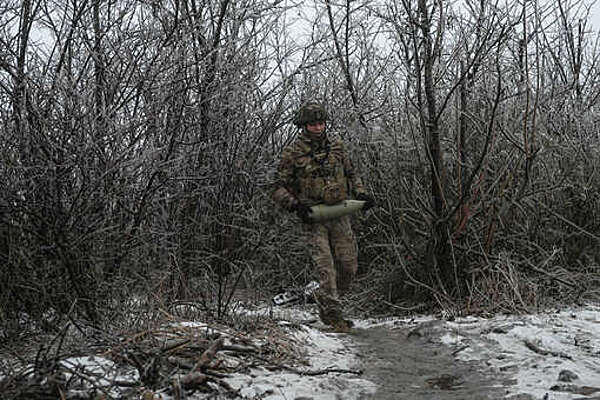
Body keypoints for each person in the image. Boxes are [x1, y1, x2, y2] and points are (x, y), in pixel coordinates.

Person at [272, 100, 375, 332]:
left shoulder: (337, 147)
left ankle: (322, 297)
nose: (318, 128)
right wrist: (295, 206)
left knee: (348, 267)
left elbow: (352, 173)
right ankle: (335, 317)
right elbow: (277, 186)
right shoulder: (293, 153)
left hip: (339, 213)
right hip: (313, 216)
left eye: (321, 123)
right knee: (326, 269)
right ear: (304, 126)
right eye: (313, 124)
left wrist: (361, 194)